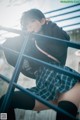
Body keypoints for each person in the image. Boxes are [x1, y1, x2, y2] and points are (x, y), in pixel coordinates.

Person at [0, 8, 80, 120]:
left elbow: (63, 40)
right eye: (26, 26)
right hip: (44, 88)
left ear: (42, 21)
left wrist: (49, 24)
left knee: (64, 117)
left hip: (66, 82)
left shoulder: (53, 32)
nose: (29, 27)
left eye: (32, 21)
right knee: (5, 100)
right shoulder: (29, 45)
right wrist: (24, 37)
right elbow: (8, 46)